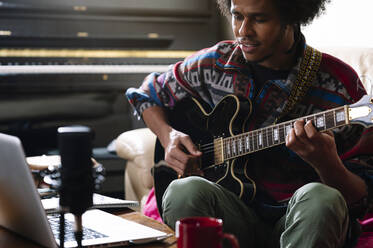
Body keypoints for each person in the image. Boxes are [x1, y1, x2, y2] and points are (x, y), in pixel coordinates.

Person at [126, 0, 373, 247]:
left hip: (302, 220)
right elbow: (147, 93)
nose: (243, 31)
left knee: (322, 198)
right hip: (232, 214)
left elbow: (362, 199)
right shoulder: (216, 62)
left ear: (291, 18)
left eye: (259, 19)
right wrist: (168, 136)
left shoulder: (339, 84)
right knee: (184, 191)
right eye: (237, 17)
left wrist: (327, 163)